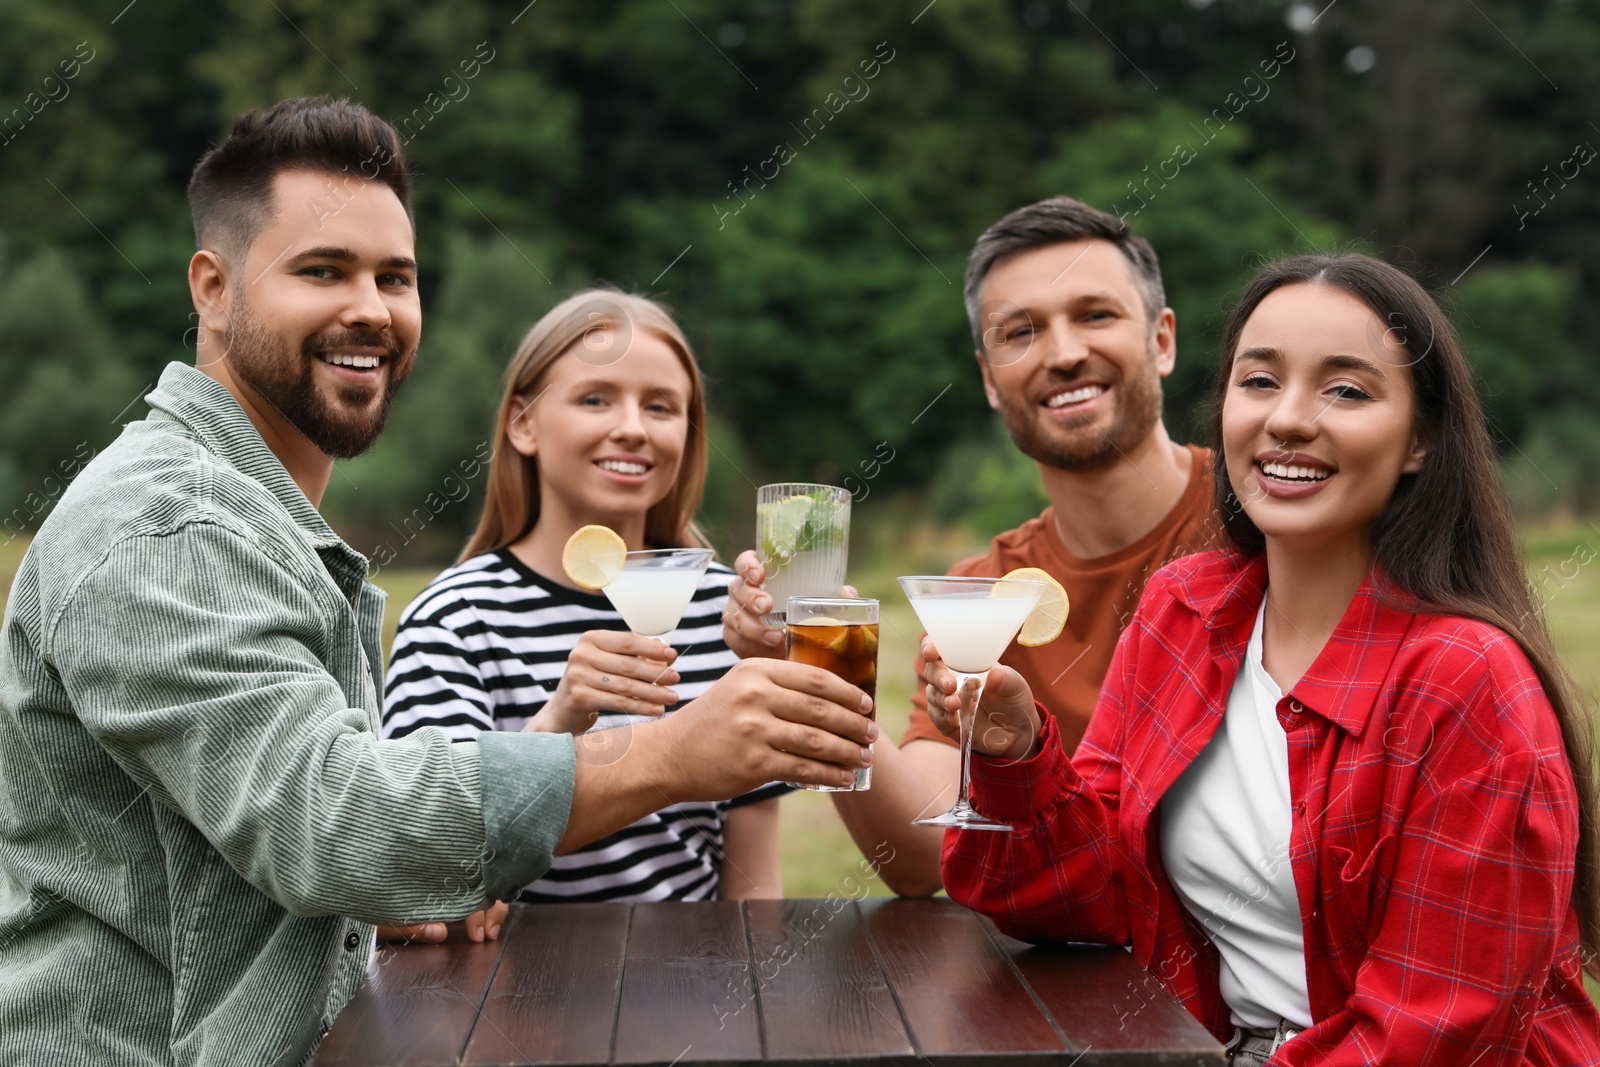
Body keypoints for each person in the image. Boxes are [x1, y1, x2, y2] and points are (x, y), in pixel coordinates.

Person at [0, 96, 873, 1066]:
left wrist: (392, 905)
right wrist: (669, 753)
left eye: (395, 277)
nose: (369, 308)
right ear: (212, 287)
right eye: (322, 271)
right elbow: (329, 821)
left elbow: (294, 853)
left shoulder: (261, 524)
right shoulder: (167, 524)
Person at [932, 252, 1600, 1064]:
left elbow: (1430, 1035)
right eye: (1259, 381)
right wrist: (1011, 749)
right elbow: (1091, 894)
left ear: (1421, 437)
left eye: (1345, 389)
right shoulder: (1185, 609)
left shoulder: (1465, 682)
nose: (1288, 418)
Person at [723, 197, 1220, 895]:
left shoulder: (1261, 527)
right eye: (1021, 331)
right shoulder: (981, 588)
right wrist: (818, 666)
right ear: (990, 377)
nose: (1064, 352)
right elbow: (924, 852)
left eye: (1096, 315)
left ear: (1162, 340)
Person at [380, 289, 787, 910]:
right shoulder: (454, 619)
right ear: (523, 423)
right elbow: (428, 858)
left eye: (661, 406)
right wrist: (556, 723)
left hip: (700, 990)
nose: (631, 427)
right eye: (595, 399)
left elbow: (754, 889)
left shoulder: (730, 612)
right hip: (511, 992)